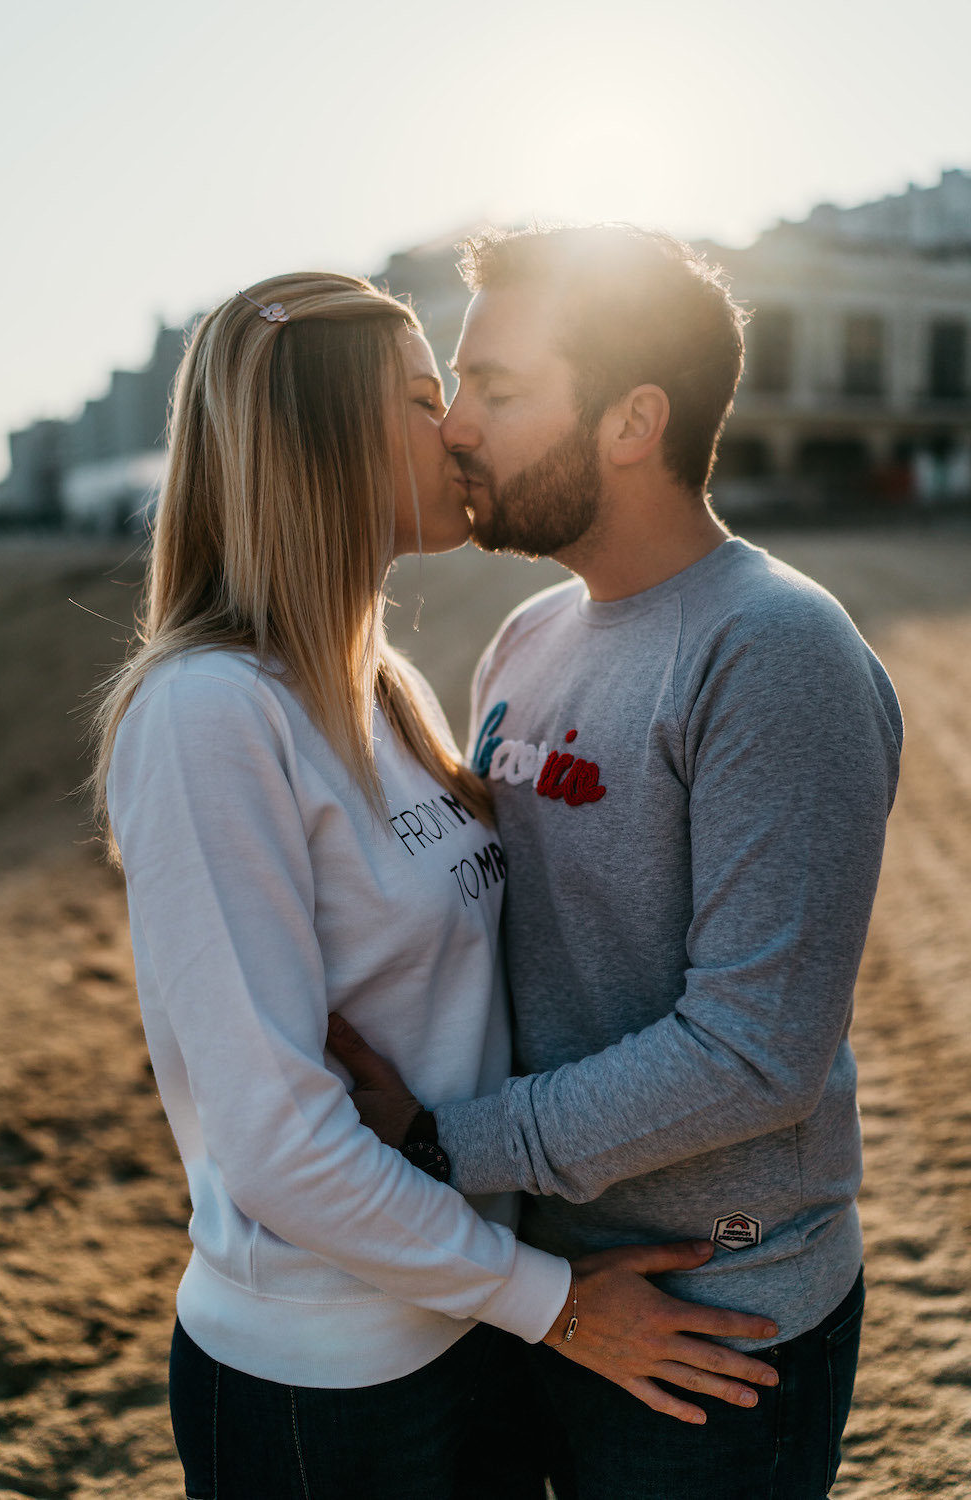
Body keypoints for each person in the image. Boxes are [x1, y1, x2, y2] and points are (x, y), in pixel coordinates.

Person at [90, 271, 781, 1500]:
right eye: (423, 397)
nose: (458, 424)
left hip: (470, 1332)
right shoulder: (207, 715)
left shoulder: (381, 690)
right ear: (323, 445)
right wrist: (558, 1308)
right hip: (330, 1386)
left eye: (461, 390)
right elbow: (276, 1144)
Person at [326, 227, 905, 1499]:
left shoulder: (775, 653)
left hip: (713, 1310)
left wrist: (438, 1145)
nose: (456, 426)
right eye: (456, 386)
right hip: (538, 1286)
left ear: (633, 419)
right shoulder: (528, 639)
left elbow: (756, 1049)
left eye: (499, 388)